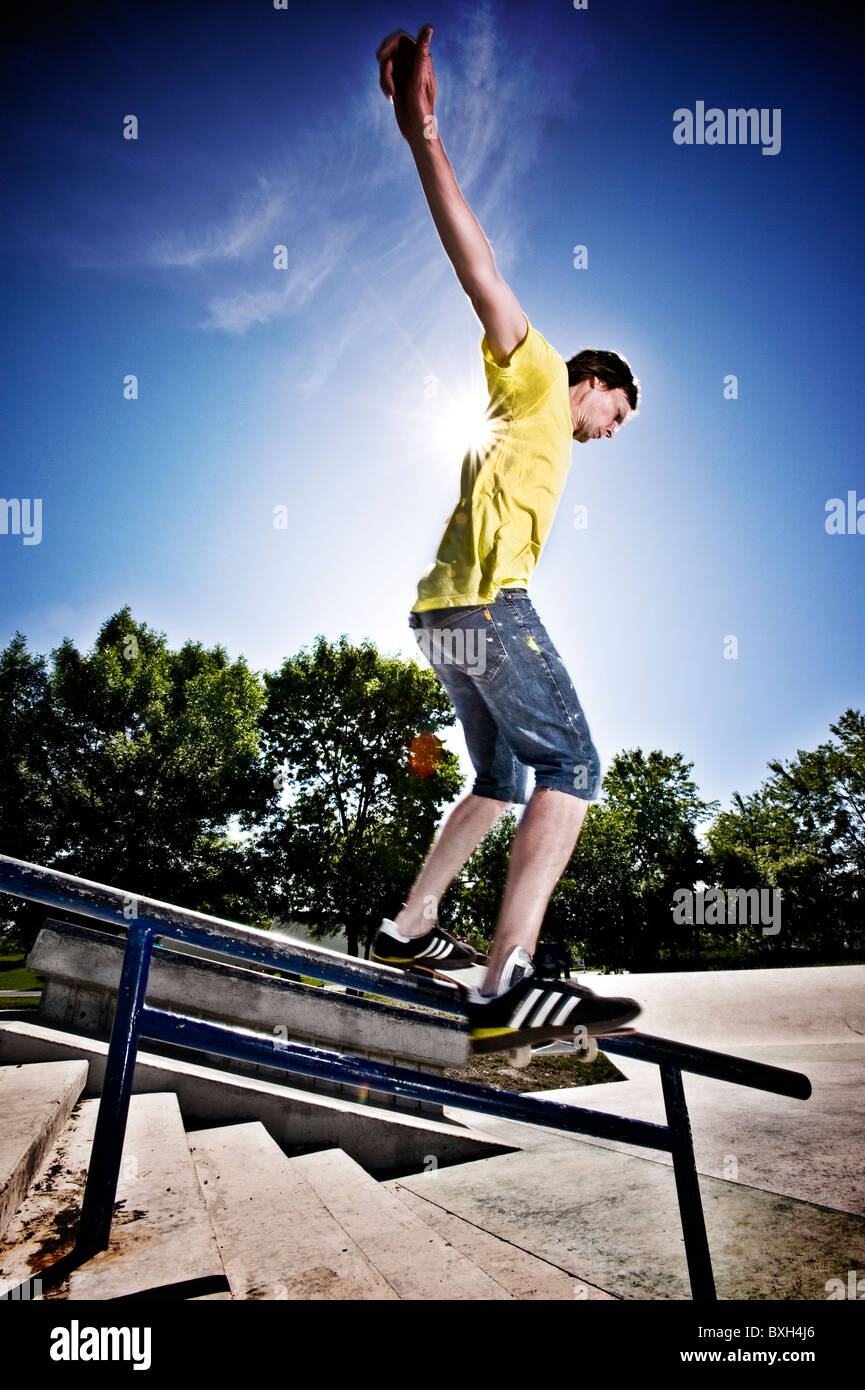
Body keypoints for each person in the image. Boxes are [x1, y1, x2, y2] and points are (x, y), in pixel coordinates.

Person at [371, 24, 641, 1053]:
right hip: (484, 603)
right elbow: (477, 268)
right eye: (616, 413)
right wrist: (424, 137)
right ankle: (505, 980)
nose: (609, 433)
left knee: (497, 780)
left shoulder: (546, 434)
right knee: (572, 761)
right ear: (596, 382)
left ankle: (409, 924)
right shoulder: (534, 375)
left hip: (442, 613)